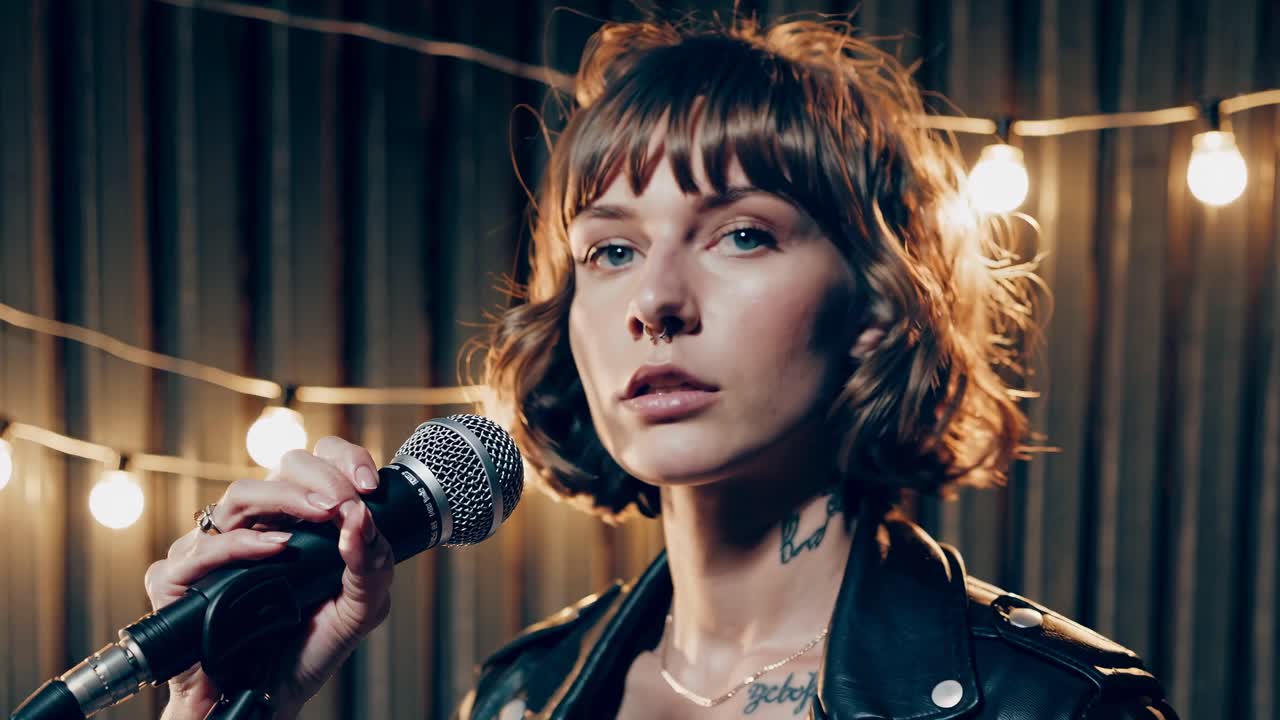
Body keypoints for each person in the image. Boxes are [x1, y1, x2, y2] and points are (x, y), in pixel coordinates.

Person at [146, 15, 1179, 720]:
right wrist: (234, 707)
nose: (654, 302)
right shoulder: (523, 696)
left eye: (740, 236)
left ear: (872, 305)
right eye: (611, 250)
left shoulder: (1055, 705)